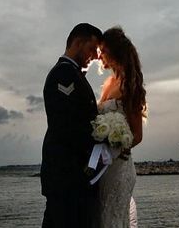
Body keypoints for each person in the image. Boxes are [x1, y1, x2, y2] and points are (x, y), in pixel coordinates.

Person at [41, 23, 103, 228]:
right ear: (77, 42)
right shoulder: (62, 75)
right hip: (66, 177)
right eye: (92, 49)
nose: (95, 56)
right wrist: (102, 138)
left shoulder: (73, 74)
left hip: (74, 178)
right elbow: (66, 127)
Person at [93, 26, 147, 228]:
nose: (99, 56)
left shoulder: (129, 85)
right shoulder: (109, 83)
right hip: (103, 167)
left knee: (112, 219)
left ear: (115, 52)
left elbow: (138, 135)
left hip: (118, 167)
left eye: (103, 51)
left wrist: (120, 146)